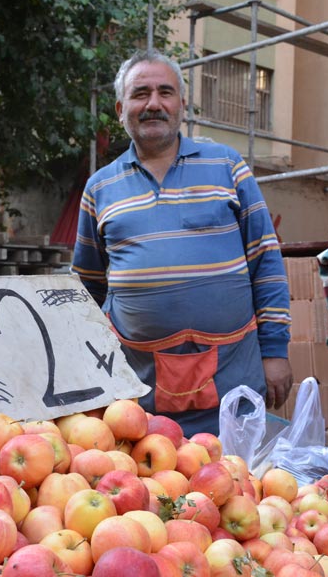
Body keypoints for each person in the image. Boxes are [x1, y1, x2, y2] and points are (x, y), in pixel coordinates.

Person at [71, 48, 293, 437]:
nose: (153, 103)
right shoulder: (100, 188)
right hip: (139, 393)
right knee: (152, 492)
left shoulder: (227, 166)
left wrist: (275, 352)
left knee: (236, 489)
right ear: (121, 109)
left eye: (165, 92)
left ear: (182, 105)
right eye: (140, 94)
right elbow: (87, 288)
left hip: (233, 380)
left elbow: (266, 262)